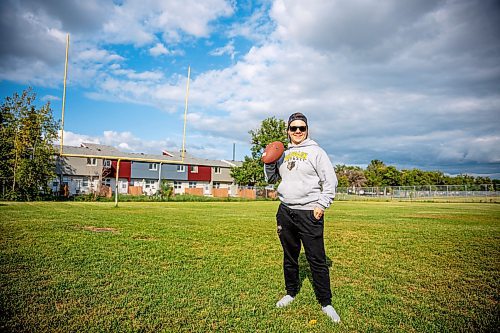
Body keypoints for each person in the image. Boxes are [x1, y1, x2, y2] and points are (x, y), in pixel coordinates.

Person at [264, 112, 341, 323]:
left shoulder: (317, 152)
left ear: (307, 130)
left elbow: (330, 182)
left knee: (316, 259)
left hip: (310, 213)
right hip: (285, 211)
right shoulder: (283, 152)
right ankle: (291, 292)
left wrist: (321, 205)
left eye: (302, 128)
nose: (297, 131)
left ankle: (326, 302)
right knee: (290, 256)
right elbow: (271, 178)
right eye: (293, 128)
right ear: (288, 131)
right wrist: (268, 160)